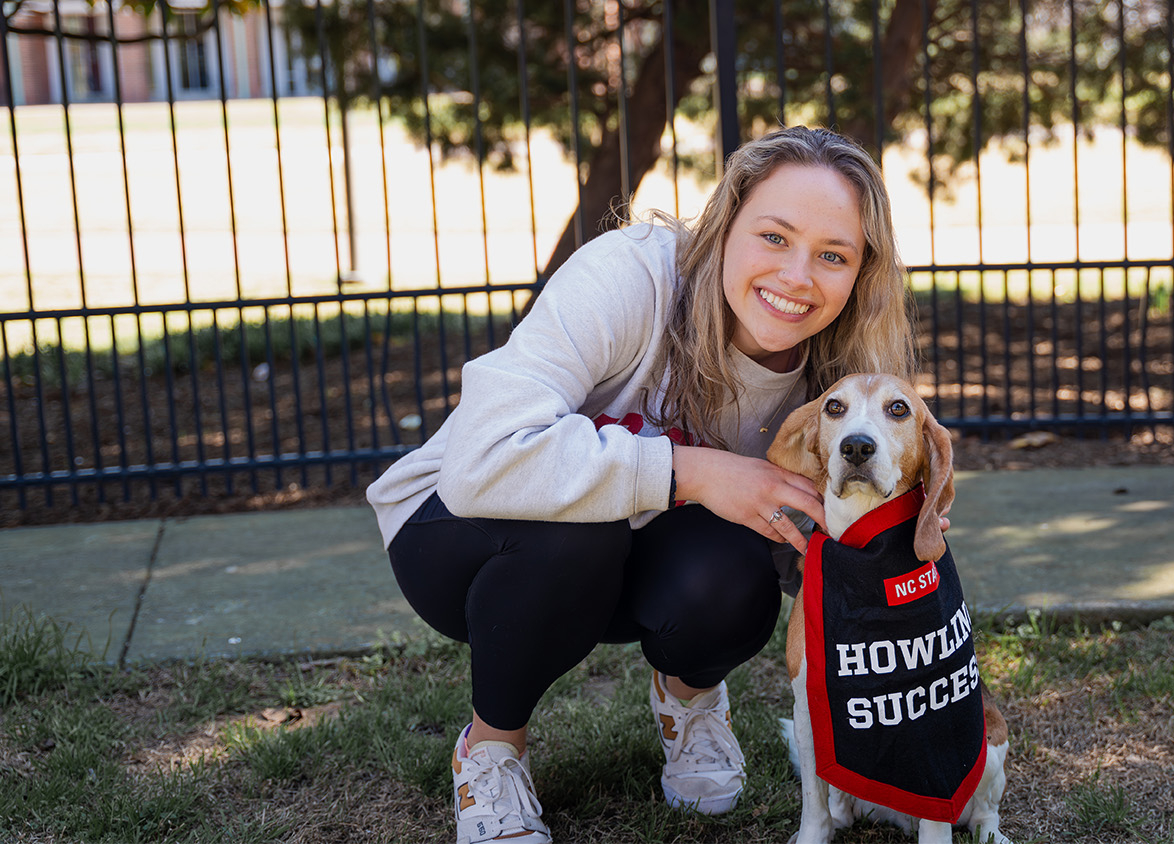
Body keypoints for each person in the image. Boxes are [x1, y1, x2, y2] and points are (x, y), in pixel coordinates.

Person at [366, 126, 918, 844]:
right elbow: (480, 459)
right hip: (464, 534)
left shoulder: (842, 384)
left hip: (634, 561)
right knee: (579, 530)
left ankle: (689, 703)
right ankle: (492, 749)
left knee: (739, 564)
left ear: (860, 272)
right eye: (774, 237)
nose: (797, 277)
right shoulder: (631, 277)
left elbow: (819, 550)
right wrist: (690, 470)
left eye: (832, 255)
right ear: (725, 223)